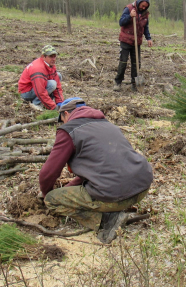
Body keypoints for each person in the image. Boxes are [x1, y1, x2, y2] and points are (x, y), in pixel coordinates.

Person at [39, 97, 153, 244]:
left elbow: (48, 173)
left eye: (62, 119)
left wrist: (46, 193)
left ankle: (106, 221)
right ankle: (112, 210)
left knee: (52, 200)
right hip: (141, 188)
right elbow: (96, 170)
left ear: (66, 114)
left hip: (115, 195)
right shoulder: (107, 125)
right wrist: (68, 189)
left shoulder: (69, 131)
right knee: (94, 188)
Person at [113, 0, 153, 92]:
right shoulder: (129, 9)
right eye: (142, 6)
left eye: (145, 7)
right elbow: (121, 22)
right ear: (139, 3)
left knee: (136, 64)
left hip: (137, 41)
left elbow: (145, 28)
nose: (143, 8)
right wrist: (130, 16)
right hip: (126, 40)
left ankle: (134, 84)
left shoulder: (145, 14)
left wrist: (148, 38)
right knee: (123, 62)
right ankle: (118, 82)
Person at [18, 45, 64, 111]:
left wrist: (60, 103)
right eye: (51, 56)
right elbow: (40, 91)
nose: (53, 59)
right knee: (52, 84)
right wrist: (54, 107)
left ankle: (44, 102)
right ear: (43, 56)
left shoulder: (50, 65)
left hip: (35, 88)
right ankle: (36, 104)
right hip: (26, 93)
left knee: (58, 76)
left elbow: (58, 87)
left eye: (54, 56)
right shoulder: (38, 69)